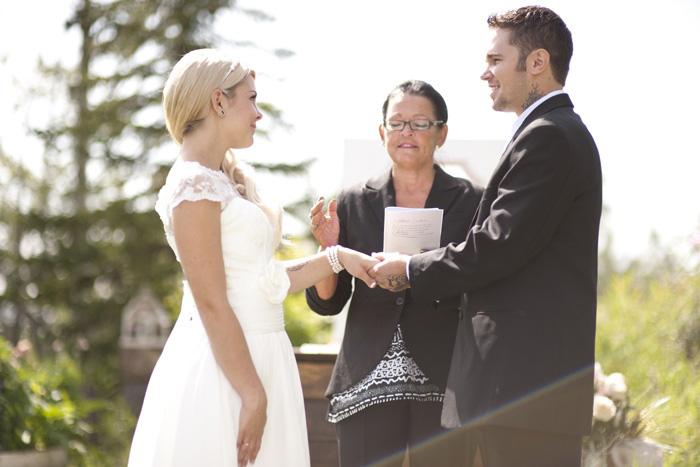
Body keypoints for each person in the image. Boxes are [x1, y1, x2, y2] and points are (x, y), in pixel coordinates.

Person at [370, 6, 602, 467]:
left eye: (496, 60)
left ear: (536, 62)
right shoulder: (547, 132)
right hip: (522, 391)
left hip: (524, 390)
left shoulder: (549, 136)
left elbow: (497, 245)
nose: (485, 73)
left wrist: (411, 268)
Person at [127, 49, 378, 467]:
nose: (258, 113)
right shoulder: (192, 183)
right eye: (252, 98)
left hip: (264, 356)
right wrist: (252, 393)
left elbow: (262, 281)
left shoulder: (223, 181)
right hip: (225, 370)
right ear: (218, 101)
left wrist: (340, 259)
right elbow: (211, 299)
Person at [305, 80, 483, 466]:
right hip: (366, 375)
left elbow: (480, 277)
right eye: (397, 122)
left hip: (445, 374)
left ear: (442, 133)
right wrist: (329, 250)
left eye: (420, 123)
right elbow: (328, 302)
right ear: (382, 132)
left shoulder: (472, 201)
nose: (407, 132)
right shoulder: (353, 200)